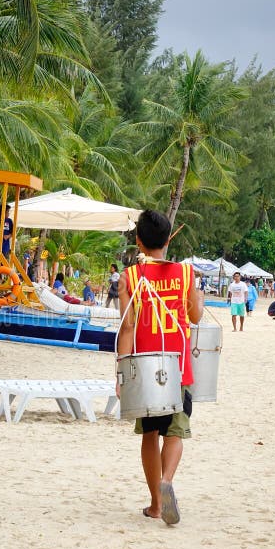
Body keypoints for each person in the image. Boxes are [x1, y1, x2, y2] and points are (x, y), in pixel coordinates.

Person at [116, 209, 203, 525]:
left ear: (138, 241)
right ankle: (167, 480)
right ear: (169, 239)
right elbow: (196, 317)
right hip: (177, 366)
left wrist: (121, 373)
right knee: (176, 431)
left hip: (144, 366)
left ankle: (156, 503)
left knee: (150, 433)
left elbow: (127, 328)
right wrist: (198, 294)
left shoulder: (130, 278)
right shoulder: (185, 275)